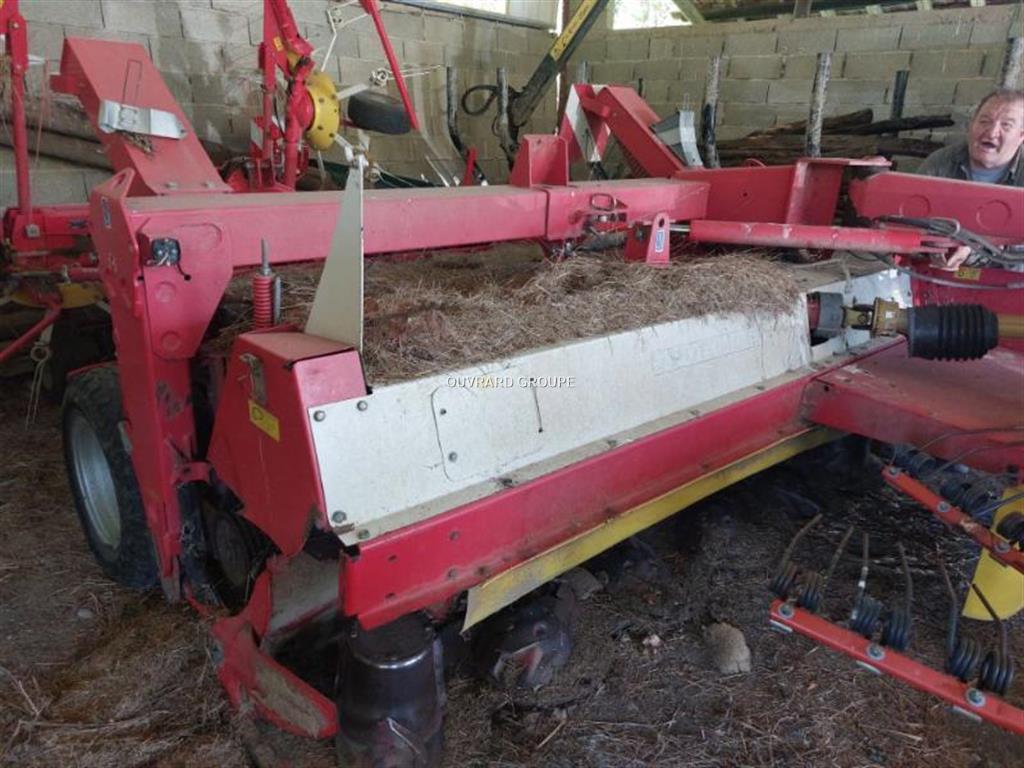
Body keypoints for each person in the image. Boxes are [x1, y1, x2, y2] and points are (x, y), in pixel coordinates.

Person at [915, 88, 1023, 270]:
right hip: (937, 272)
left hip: (1012, 279)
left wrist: (976, 246)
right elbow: (910, 219)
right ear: (971, 125)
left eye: (1006, 125)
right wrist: (937, 243)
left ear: (1021, 136)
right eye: (985, 121)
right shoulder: (940, 163)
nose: (992, 133)